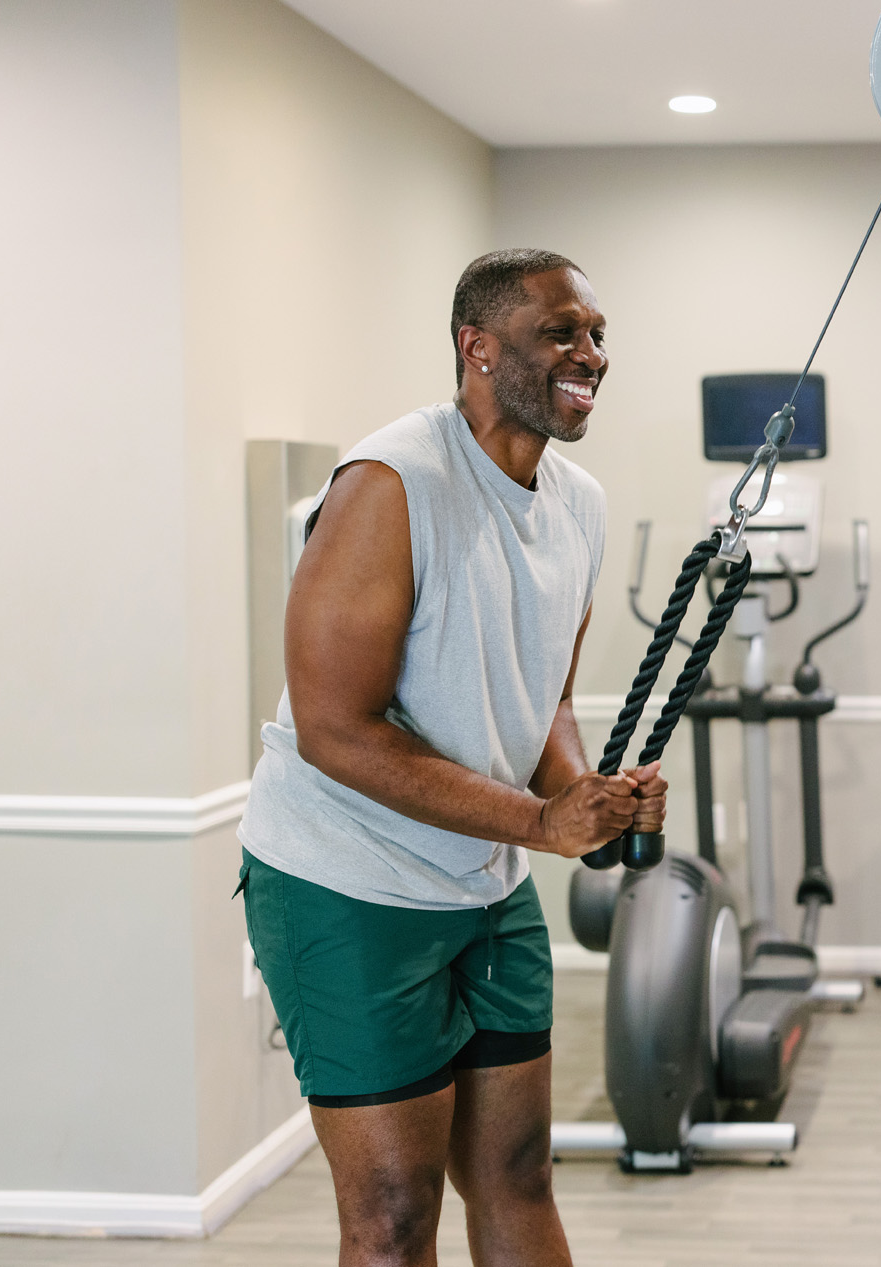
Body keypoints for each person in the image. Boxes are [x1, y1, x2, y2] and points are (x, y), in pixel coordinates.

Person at [236, 248, 657, 1266]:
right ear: (478, 346)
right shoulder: (394, 481)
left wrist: (582, 792)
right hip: (346, 881)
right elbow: (337, 727)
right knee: (392, 1213)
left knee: (517, 1175)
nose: (590, 354)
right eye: (563, 331)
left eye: (596, 334)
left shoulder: (580, 503)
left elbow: (543, 698)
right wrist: (538, 821)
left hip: (483, 886)